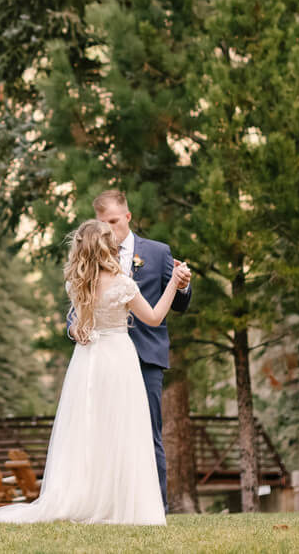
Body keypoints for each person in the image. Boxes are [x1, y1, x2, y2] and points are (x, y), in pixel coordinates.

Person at [0, 218, 187, 525]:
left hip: (88, 361)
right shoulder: (123, 285)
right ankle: (119, 504)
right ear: (106, 247)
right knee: (122, 430)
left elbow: (80, 328)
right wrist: (174, 283)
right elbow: (154, 318)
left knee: (89, 432)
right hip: (117, 358)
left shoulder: (76, 284)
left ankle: (87, 498)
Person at [95, 189, 192, 510]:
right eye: (101, 223)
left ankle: (155, 508)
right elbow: (81, 302)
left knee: (149, 433)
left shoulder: (158, 252)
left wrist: (184, 284)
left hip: (146, 355)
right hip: (106, 355)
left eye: (112, 221)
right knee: (107, 432)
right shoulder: (94, 254)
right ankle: (112, 505)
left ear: (127, 217)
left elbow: (179, 304)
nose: (108, 229)